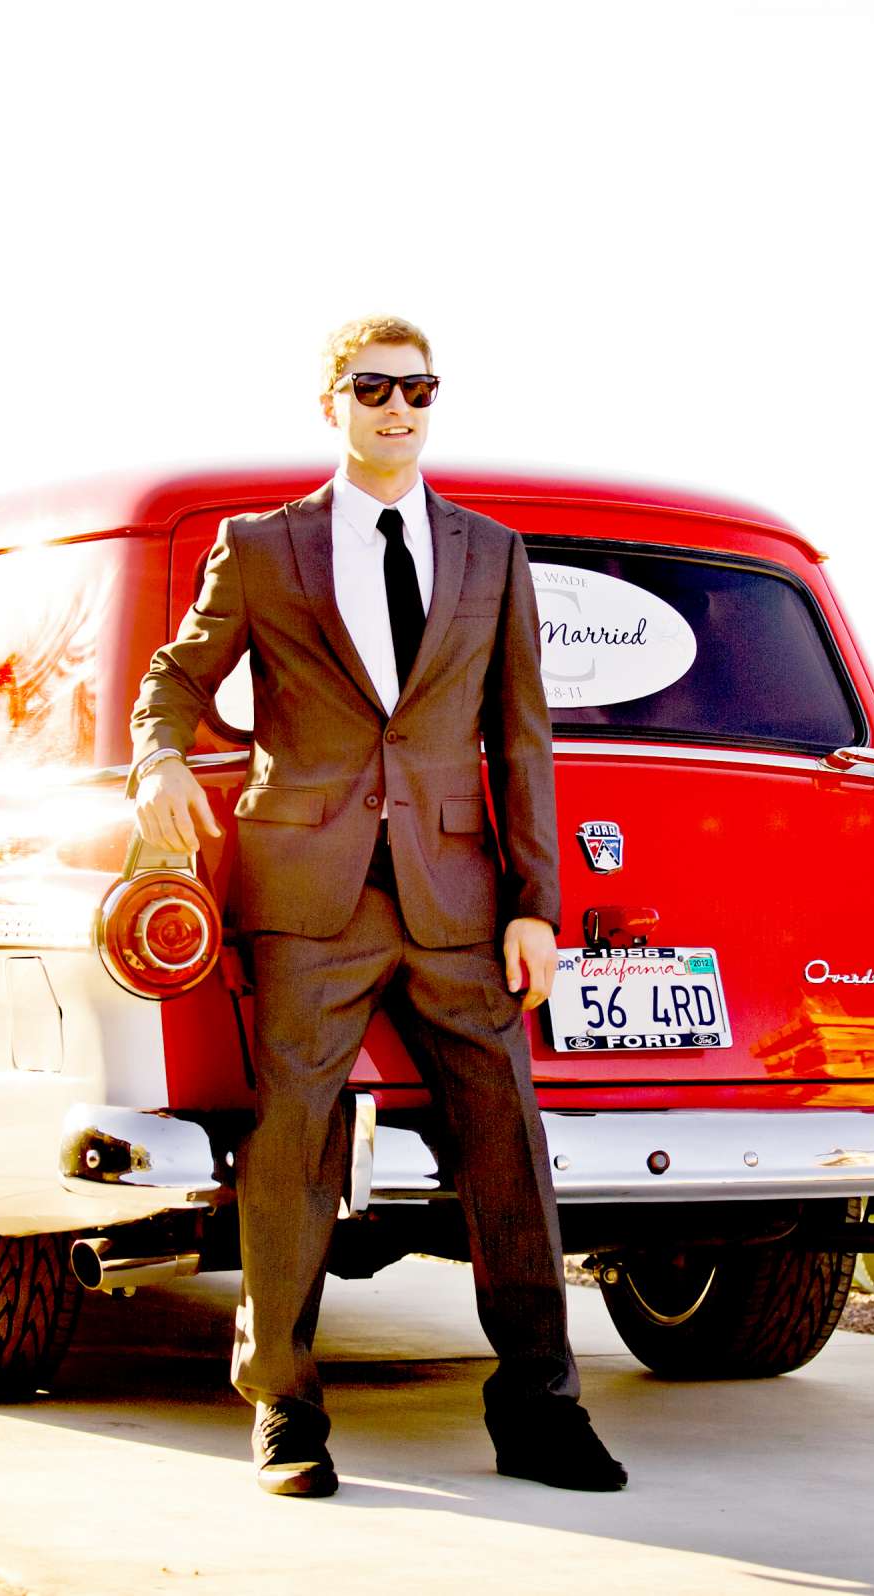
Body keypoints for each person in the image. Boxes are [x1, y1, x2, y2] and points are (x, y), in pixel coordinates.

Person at [128, 315, 626, 1498]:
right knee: (291, 1144)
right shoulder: (264, 547)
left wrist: (535, 902)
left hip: (459, 895)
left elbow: (522, 738)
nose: (399, 408)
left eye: (420, 389)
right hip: (309, 892)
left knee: (509, 1144)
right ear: (332, 402)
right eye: (375, 387)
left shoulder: (491, 554)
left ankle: (541, 1407)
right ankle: (285, 1410)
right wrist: (155, 763)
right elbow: (174, 678)